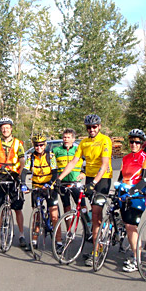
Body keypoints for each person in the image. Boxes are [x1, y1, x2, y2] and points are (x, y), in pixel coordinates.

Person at [57, 114, 113, 267]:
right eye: (89, 127)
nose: (92, 129)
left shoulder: (105, 140)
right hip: (89, 178)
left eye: (94, 126)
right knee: (90, 213)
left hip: (102, 179)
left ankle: (97, 249)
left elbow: (104, 164)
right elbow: (74, 161)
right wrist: (60, 178)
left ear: (99, 126)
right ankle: (96, 239)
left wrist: (94, 182)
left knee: (95, 213)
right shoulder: (84, 143)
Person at [114, 129, 146, 272]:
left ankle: (137, 259)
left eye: (137, 142)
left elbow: (145, 180)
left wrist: (132, 191)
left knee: (131, 226)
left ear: (141, 143)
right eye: (132, 142)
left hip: (137, 196)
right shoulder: (126, 158)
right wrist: (117, 189)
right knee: (126, 224)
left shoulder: (145, 158)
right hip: (124, 194)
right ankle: (131, 246)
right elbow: (120, 176)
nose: (134, 144)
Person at [0, 117, 27, 248]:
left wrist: (19, 175)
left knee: (17, 208)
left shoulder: (18, 143)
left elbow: (22, 160)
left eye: (7, 127)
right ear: (1, 129)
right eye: (3, 127)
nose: (5, 129)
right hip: (0, 176)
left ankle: (21, 235)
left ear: (11, 128)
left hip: (13, 175)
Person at [21, 133, 61, 252]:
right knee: (36, 215)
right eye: (36, 145)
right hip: (36, 188)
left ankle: (59, 242)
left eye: (41, 145)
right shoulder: (30, 157)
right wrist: (23, 183)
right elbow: (24, 171)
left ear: (45, 145)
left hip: (49, 188)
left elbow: (54, 173)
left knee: (54, 216)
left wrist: (49, 183)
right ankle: (34, 241)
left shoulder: (51, 156)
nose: (39, 147)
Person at [52, 128, 87, 216]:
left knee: (82, 206)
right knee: (66, 207)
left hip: (75, 182)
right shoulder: (56, 150)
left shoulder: (78, 150)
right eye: (64, 137)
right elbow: (52, 165)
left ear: (73, 139)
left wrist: (83, 172)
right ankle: (69, 229)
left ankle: (88, 225)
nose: (66, 139)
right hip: (62, 182)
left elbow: (88, 162)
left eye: (68, 137)